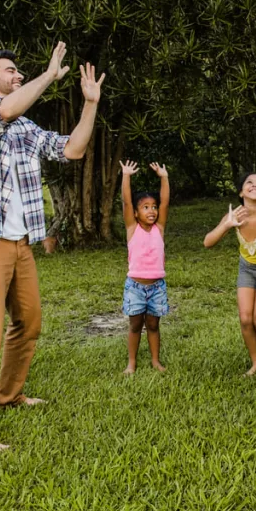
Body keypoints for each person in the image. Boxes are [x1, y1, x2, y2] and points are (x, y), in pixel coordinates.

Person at [0, 42, 104, 453]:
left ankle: (10, 394)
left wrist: (89, 104)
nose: (18, 75)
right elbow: (5, 109)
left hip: (19, 241)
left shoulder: (23, 128)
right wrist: (49, 74)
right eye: (12, 71)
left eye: (20, 71)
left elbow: (71, 150)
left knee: (29, 322)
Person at [203, 172, 256, 376]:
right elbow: (207, 242)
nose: (255, 185)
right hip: (247, 269)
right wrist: (226, 225)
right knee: (245, 318)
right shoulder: (235, 215)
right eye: (249, 182)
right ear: (242, 192)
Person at [120, 160, 171, 374]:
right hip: (135, 287)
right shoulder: (132, 228)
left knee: (153, 325)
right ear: (136, 213)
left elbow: (166, 202)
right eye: (145, 207)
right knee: (134, 326)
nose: (152, 211)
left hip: (157, 287)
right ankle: (131, 362)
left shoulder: (159, 228)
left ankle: (155, 360)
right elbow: (126, 203)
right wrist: (126, 176)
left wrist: (164, 177)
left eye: (154, 207)